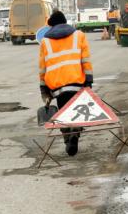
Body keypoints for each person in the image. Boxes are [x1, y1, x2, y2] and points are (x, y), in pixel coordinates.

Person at [38, 11, 93, 156]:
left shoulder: (45, 41)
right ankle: (75, 133)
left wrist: (43, 87)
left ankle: (68, 138)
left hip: (57, 86)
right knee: (77, 110)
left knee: (63, 113)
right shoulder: (79, 35)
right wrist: (88, 81)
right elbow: (86, 61)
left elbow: (42, 67)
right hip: (77, 83)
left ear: (52, 25)